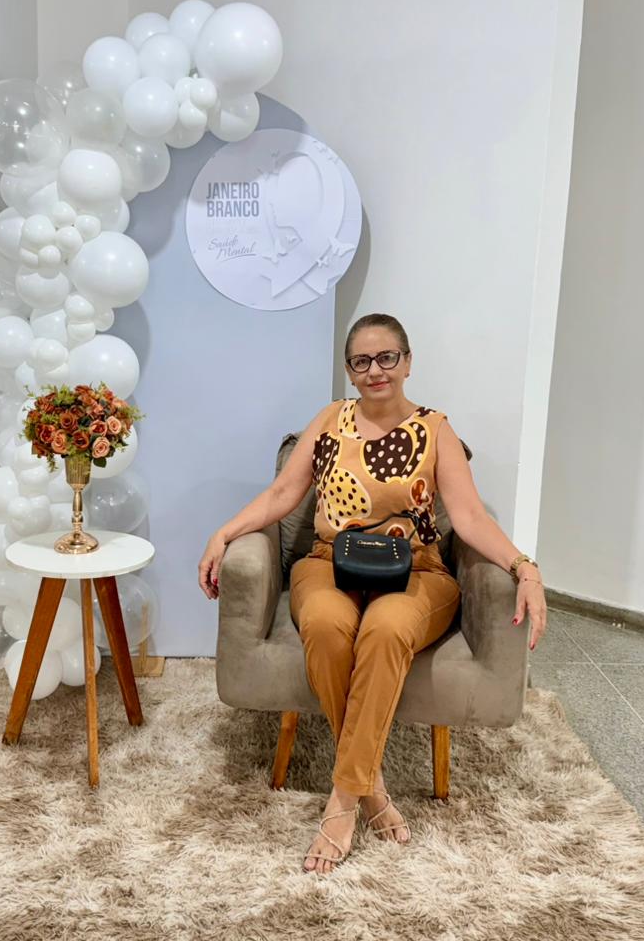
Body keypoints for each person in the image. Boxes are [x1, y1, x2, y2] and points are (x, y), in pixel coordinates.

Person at [197, 313, 549, 875]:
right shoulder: (329, 419)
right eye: (361, 361)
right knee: (325, 625)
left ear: (407, 363)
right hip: (328, 562)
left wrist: (523, 567)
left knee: (387, 629)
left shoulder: (436, 429)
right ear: (349, 370)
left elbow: (469, 517)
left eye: (387, 357)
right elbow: (283, 494)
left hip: (417, 569)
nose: (375, 370)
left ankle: (343, 798)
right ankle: (372, 787)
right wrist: (222, 533)